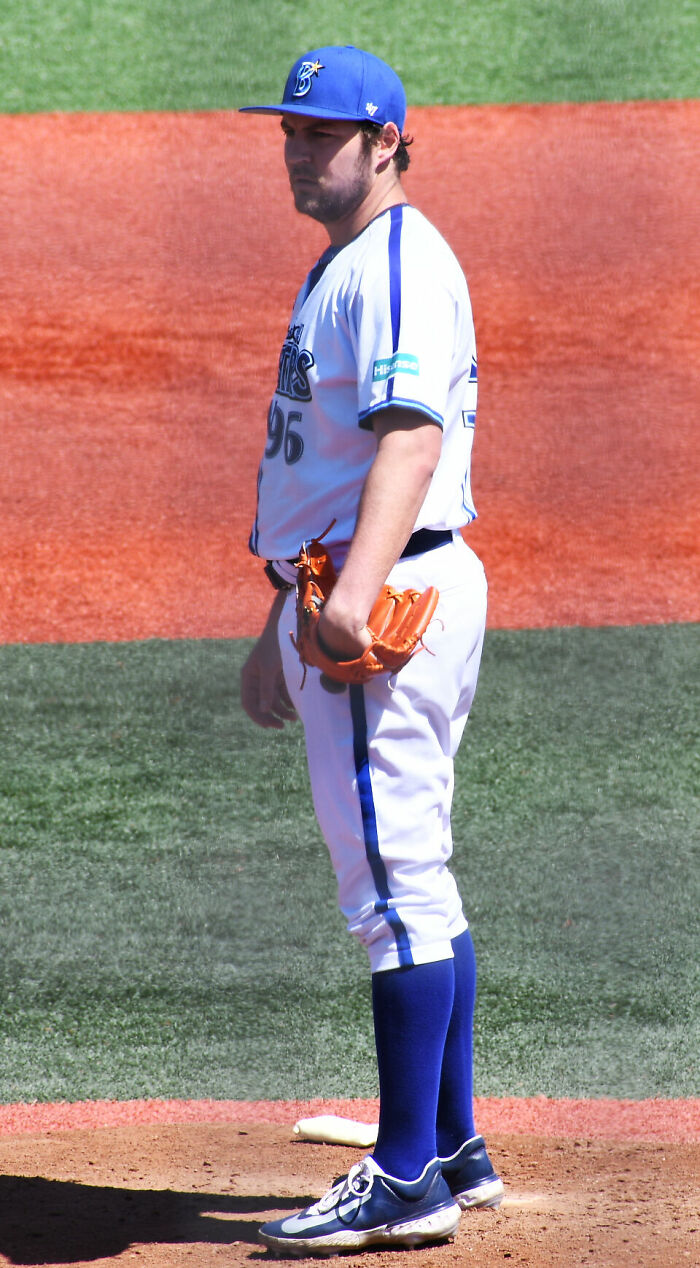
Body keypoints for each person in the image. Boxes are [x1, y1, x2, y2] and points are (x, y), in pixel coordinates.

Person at [239, 45, 503, 1256]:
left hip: (384, 592)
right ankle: (449, 1142)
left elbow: (405, 434)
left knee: (390, 893)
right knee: (418, 874)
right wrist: (272, 620)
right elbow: (329, 464)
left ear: (387, 140)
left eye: (323, 133)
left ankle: (404, 1175)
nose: (298, 148)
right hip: (375, 578)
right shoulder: (356, 260)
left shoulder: (393, 262)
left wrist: (343, 598)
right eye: (290, 130)